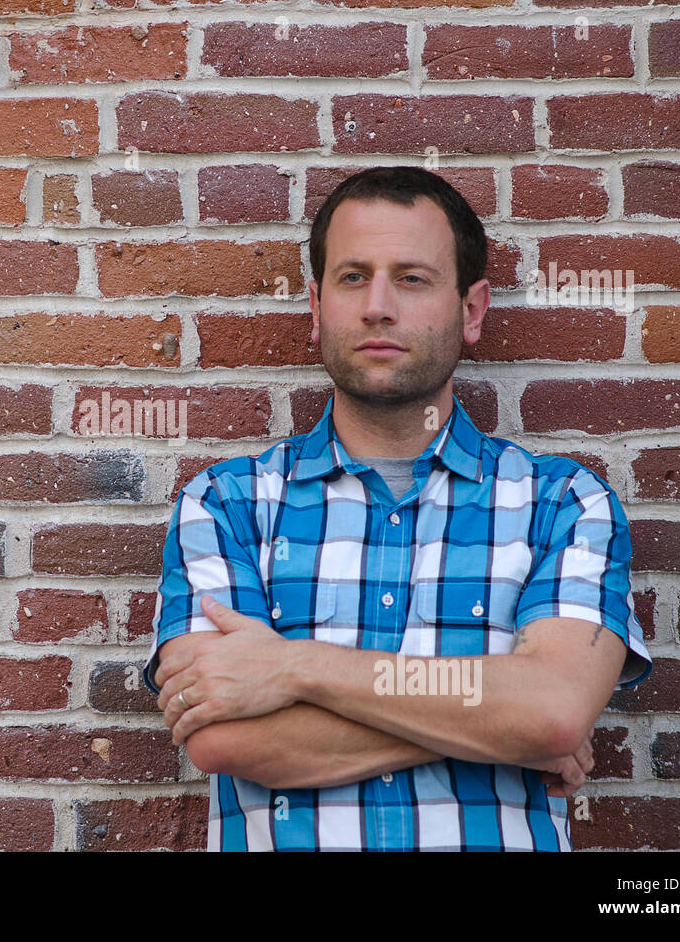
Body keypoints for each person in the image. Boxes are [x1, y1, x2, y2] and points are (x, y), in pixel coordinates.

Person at [142, 165, 653, 851]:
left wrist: (295, 668)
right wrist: (502, 728)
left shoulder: (559, 502)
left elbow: (554, 711)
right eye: (353, 277)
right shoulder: (229, 502)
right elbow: (224, 736)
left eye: (411, 279)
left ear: (472, 310)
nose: (378, 305)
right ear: (317, 306)